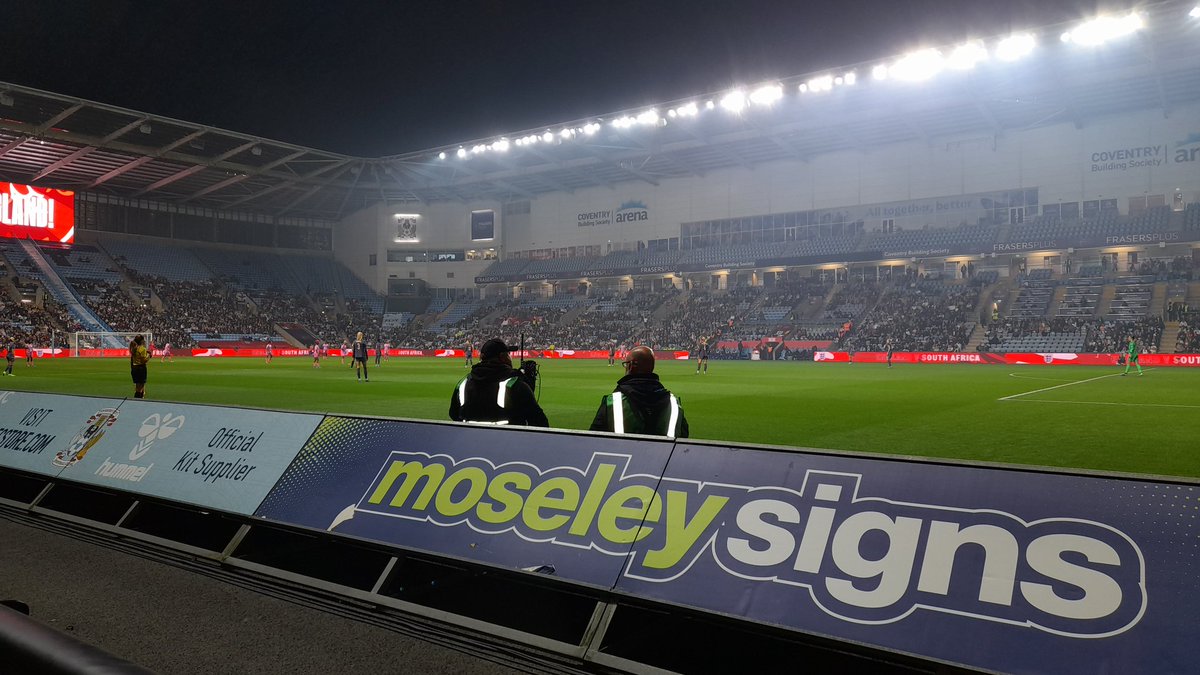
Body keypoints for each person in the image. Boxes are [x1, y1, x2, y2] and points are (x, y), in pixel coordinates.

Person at [589, 346, 688, 438]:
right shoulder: (673, 403)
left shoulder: (613, 401)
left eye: (626, 364)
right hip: (662, 455)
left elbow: (593, 439)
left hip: (624, 455)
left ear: (631, 366)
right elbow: (684, 437)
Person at [449, 338, 548, 427]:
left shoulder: (464, 383)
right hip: (507, 443)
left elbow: (454, 414)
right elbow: (540, 423)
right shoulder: (515, 385)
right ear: (502, 357)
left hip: (470, 443)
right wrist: (527, 385)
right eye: (508, 354)